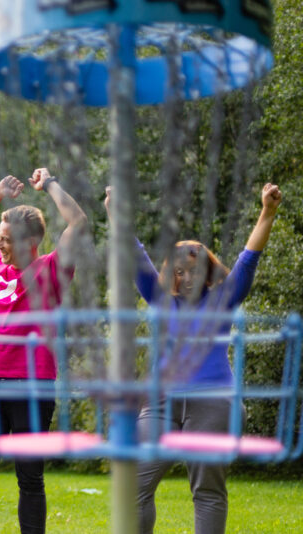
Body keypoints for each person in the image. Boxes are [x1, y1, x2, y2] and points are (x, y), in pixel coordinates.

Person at [105, 182, 282, 534]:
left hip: (213, 403)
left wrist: (268, 212)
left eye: (195, 270)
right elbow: (134, 252)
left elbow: (249, 259)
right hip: (160, 402)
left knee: (207, 491)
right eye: (180, 272)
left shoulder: (224, 299)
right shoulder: (159, 297)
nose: (186, 278)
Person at [0, 169, 88, 534]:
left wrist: (50, 184)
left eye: (6, 240)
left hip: (32, 387)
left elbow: (78, 221)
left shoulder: (52, 270)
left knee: (29, 479)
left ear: (31, 243)